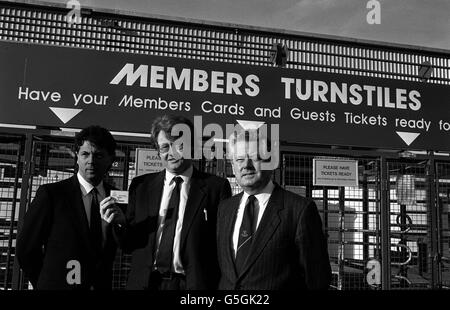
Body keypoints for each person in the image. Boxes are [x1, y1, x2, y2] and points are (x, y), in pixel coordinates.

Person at [112, 114, 231, 290]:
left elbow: (223, 245)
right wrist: (120, 224)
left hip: (193, 286)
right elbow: (130, 244)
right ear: (158, 150)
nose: (172, 153)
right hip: (146, 284)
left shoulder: (216, 188)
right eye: (165, 147)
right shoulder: (141, 186)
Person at [217, 128, 331, 290]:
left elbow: (317, 279)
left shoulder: (299, 210)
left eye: (255, 158)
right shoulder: (225, 209)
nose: (246, 165)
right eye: (240, 159)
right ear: (232, 165)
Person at [16, 125, 120, 290]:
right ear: (77, 157)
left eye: (98, 155)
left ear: (111, 160)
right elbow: (26, 249)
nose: (91, 161)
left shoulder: (117, 200)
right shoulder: (52, 195)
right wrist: (46, 283)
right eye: (85, 154)